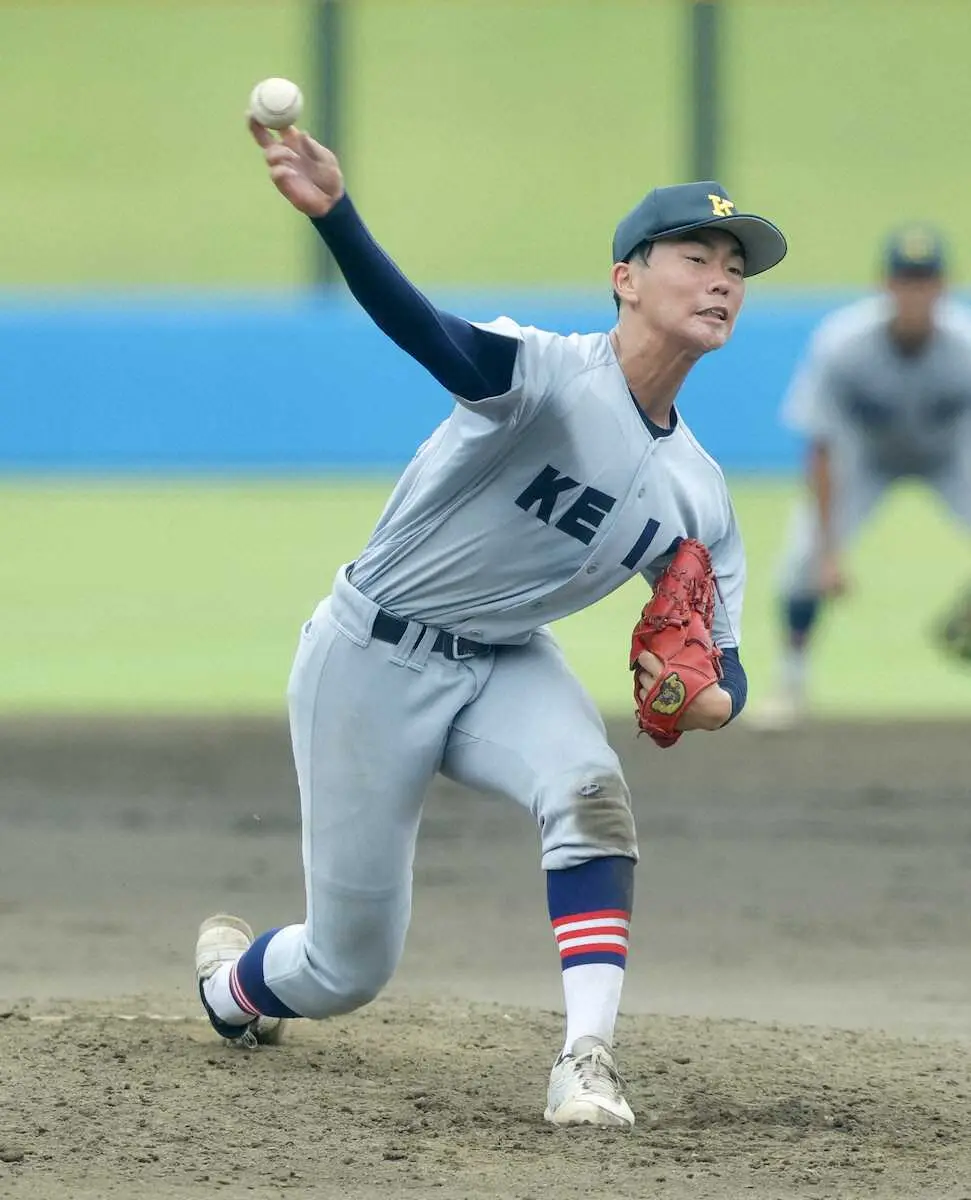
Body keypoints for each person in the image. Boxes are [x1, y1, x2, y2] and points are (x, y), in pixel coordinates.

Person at [193, 117, 788, 1128]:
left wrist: (699, 700)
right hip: (369, 655)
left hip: (507, 664)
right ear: (624, 278)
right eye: (694, 255)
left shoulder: (698, 494)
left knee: (589, 790)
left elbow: (724, 670)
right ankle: (230, 987)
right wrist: (335, 218)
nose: (720, 278)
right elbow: (425, 332)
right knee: (346, 966)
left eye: (735, 265)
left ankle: (586, 1058)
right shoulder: (541, 375)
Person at [752, 227, 971, 731]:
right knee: (802, 558)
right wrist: (829, 553)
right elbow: (822, 447)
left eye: (925, 280)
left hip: (949, 459)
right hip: (866, 461)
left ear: (943, 287)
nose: (915, 292)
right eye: (905, 280)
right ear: (885, 285)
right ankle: (790, 683)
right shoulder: (843, 343)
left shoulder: (964, 345)